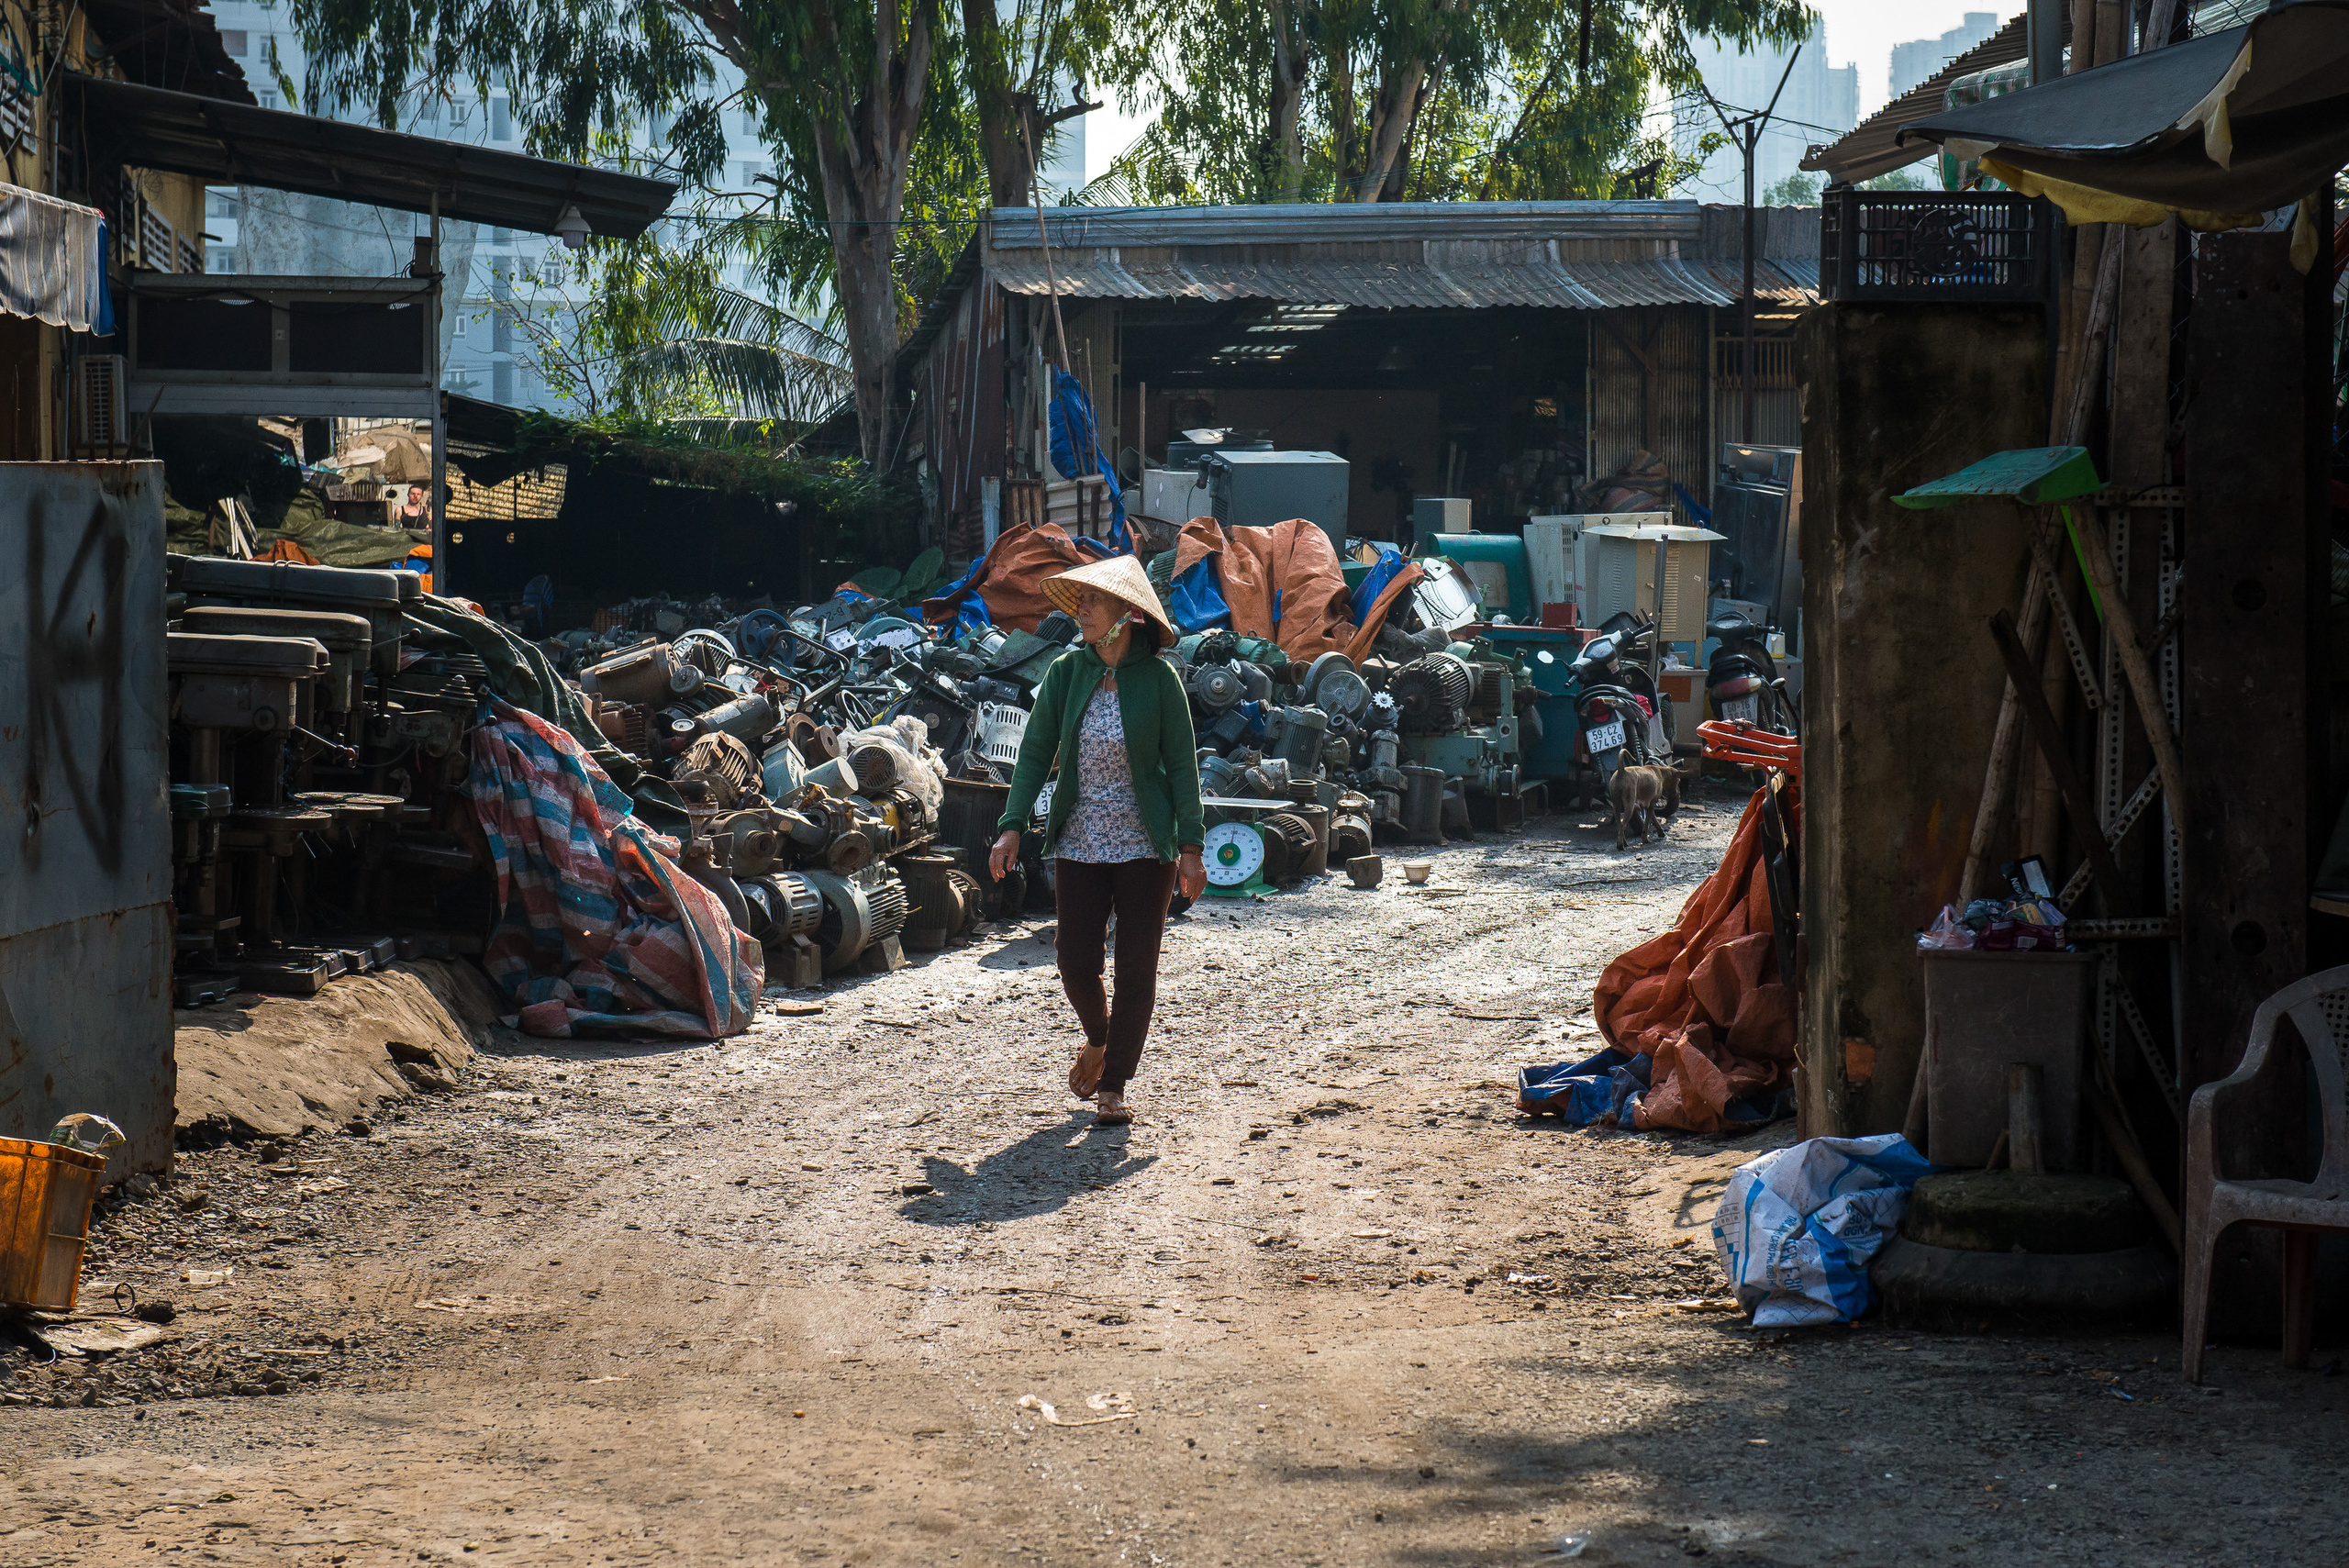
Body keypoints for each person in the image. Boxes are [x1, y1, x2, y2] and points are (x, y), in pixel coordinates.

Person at [989, 555, 1207, 1126]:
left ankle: (1114, 1086)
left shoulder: (1160, 680)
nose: (1080, 609)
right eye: (1079, 599)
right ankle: (1101, 1036)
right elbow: (1035, 752)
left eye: (1092, 600)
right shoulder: (1066, 672)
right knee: (1074, 960)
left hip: (1144, 844)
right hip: (1080, 839)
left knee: (1136, 968)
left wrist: (1191, 848)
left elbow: (1183, 768)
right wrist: (1012, 825)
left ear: (1125, 613)